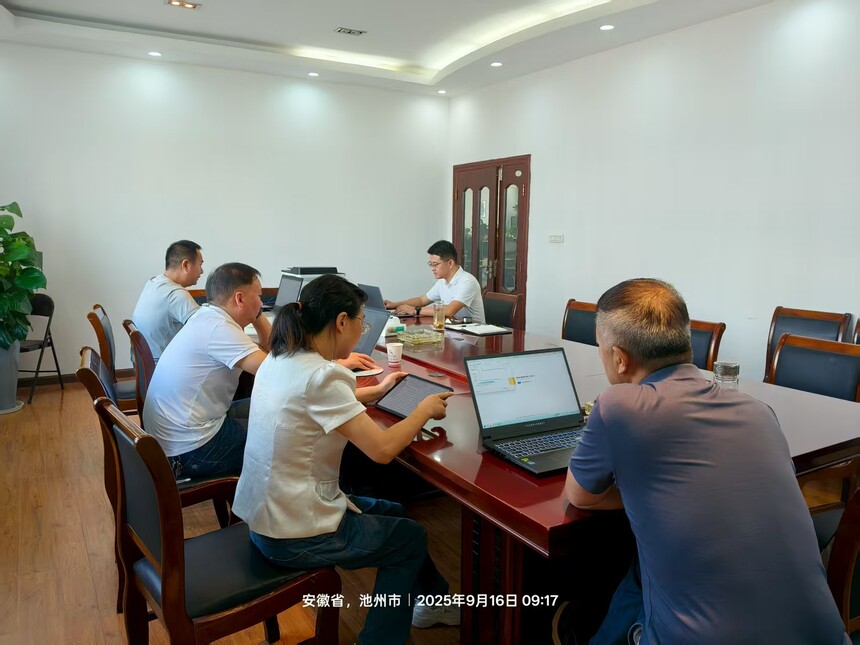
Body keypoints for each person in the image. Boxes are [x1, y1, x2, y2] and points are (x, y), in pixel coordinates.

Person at [560, 278, 848, 645]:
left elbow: (580, 495)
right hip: (825, 637)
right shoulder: (759, 411)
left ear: (619, 357)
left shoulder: (619, 406)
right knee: (643, 570)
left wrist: (644, 493)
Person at [232, 275, 460, 645]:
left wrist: (378, 390)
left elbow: (315, 402)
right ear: (341, 322)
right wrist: (422, 411)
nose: (361, 331)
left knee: (394, 512)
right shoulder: (323, 376)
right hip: (293, 533)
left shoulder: (280, 357)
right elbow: (382, 450)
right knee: (410, 539)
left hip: (264, 515)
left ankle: (433, 602)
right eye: (361, 323)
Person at [131, 239, 203, 362]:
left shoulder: (154, 282)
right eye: (200, 264)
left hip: (143, 363)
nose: (201, 271)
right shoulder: (176, 294)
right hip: (161, 366)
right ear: (186, 265)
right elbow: (207, 329)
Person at [384, 240, 485, 323]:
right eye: (430, 264)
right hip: (453, 330)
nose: (432, 268)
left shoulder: (468, 281)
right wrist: (394, 305)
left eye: (435, 264)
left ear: (450, 263)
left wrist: (415, 310)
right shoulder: (442, 281)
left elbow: (450, 310)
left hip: (474, 335)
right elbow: (422, 300)